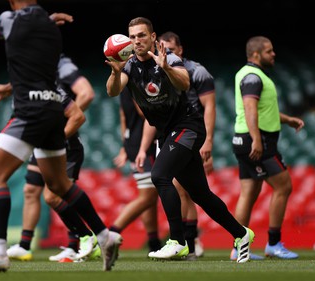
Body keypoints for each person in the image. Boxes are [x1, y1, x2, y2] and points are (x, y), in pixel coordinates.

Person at [0, 1, 121, 273]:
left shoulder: (9, 19)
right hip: (53, 108)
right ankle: (105, 236)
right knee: (59, 185)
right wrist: (43, 21)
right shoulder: (50, 29)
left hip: (29, 110)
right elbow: (36, 69)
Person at [105, 16, 254, 263]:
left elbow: (184, 83)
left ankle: (178, 241)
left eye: (142, 35)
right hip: (168, 133)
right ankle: (241, 234)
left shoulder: (169, 59)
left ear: (153, 38)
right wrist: (115, 71)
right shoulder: (129, 66)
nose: (137, 41)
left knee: (159, 176)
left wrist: (165, 67)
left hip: (189, 126)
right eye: (132, 37)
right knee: (200, 194)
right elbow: (112, 90)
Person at [0, 54, 102, 262]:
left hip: (62, 142)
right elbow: (28, 80)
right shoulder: (31, 70)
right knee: (31, 190)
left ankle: (85, 239)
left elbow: (86, 96)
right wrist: (8, 87)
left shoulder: (60, 65)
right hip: (40, 139)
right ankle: (24, 245)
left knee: (54, 194)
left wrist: (57, 130)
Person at [231, 36, 303, 260]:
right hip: (258, 140)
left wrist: (288, 119)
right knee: (284, 186)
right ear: (255, 54)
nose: (274, 54)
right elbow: (250, 108)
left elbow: (262, 110)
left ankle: (237, 249)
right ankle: (273, 243)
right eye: (269, 51)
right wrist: (257, 139)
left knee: (248, 193)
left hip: (242, 139)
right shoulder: (253, 77)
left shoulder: (247, 74)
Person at [158, 31, 216, 259]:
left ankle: (187, 242)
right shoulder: (157, 69)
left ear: (180, 50)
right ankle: (189, 241)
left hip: (192, 132)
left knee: (184, 189)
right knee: (188, 190)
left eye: (170, 49)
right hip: (171, 132)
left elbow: (209, 107)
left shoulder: (197, 71)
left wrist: (209, 140)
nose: (165, 53)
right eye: (161, 49)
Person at [110, 86, 161, 253]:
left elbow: (123, 115)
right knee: (147, 197)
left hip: (134, 142)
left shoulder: (124, 85)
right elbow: (146, 112)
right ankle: (110, 234)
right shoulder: (138, 82)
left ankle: (154, 243)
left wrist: (125, 146)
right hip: (145, 146)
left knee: (149, 197)